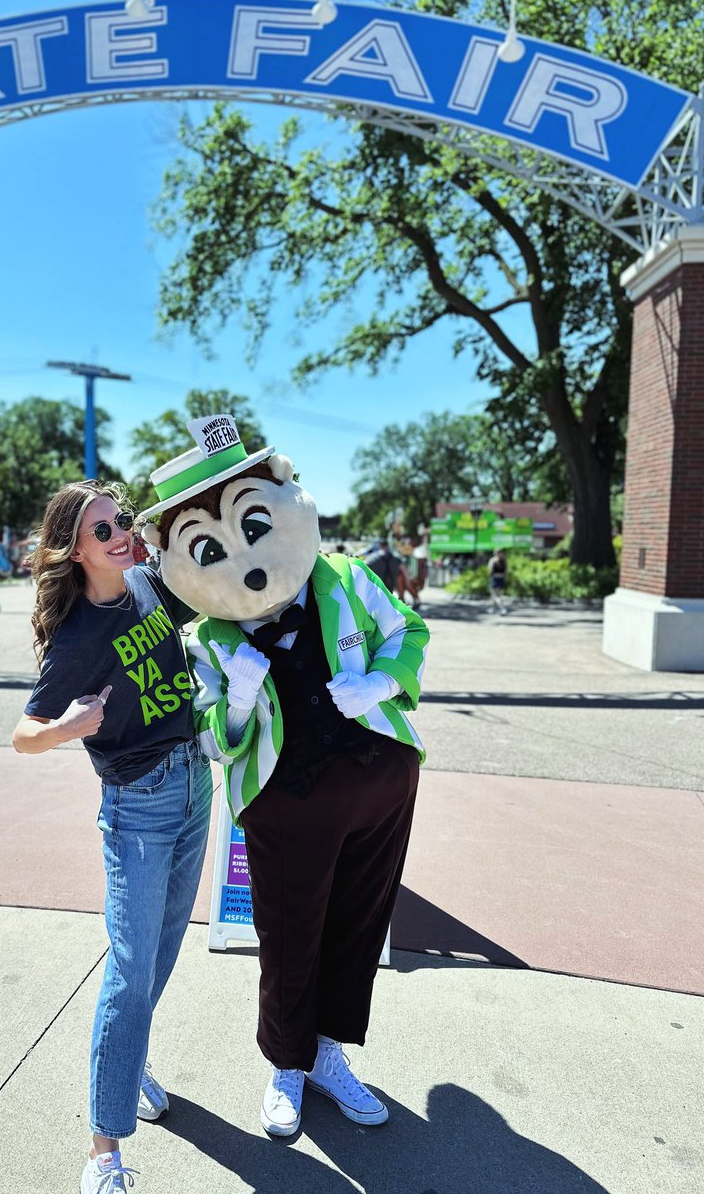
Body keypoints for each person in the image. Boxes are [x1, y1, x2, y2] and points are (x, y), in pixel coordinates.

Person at [138, 418, 428, 1140]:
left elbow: (409, 634)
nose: (247, 564)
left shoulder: (351, 581)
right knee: (290, 934)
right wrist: (235, 700)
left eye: (254, 522)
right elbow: (209, 734)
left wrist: (385, 684)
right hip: (286, 804)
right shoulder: (206, 640)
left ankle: (329, 1055)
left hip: (381, 785)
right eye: (207, 546)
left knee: (359, 925)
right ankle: (286, 1065)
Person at [12, 480, 212, 1194]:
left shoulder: (150, 585)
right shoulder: (78, 637)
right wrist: (66, 729)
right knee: (130, 972)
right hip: (141, 805)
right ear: (74, 550)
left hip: (195, 783)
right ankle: (103, 1154)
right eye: (103, 531)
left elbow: (218, 586)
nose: (120, 535)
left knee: (160, 951)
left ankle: (127, 1070)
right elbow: (23, 735)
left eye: (122, 521)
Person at [488, 548, 508, 614]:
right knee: (497, 595)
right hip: (501, 579)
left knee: (495, 596)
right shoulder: (504, 561)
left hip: (495, 579)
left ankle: (502, 608)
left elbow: (490, 571)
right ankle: (492, 609)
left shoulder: (493, 560)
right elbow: (506, 572)